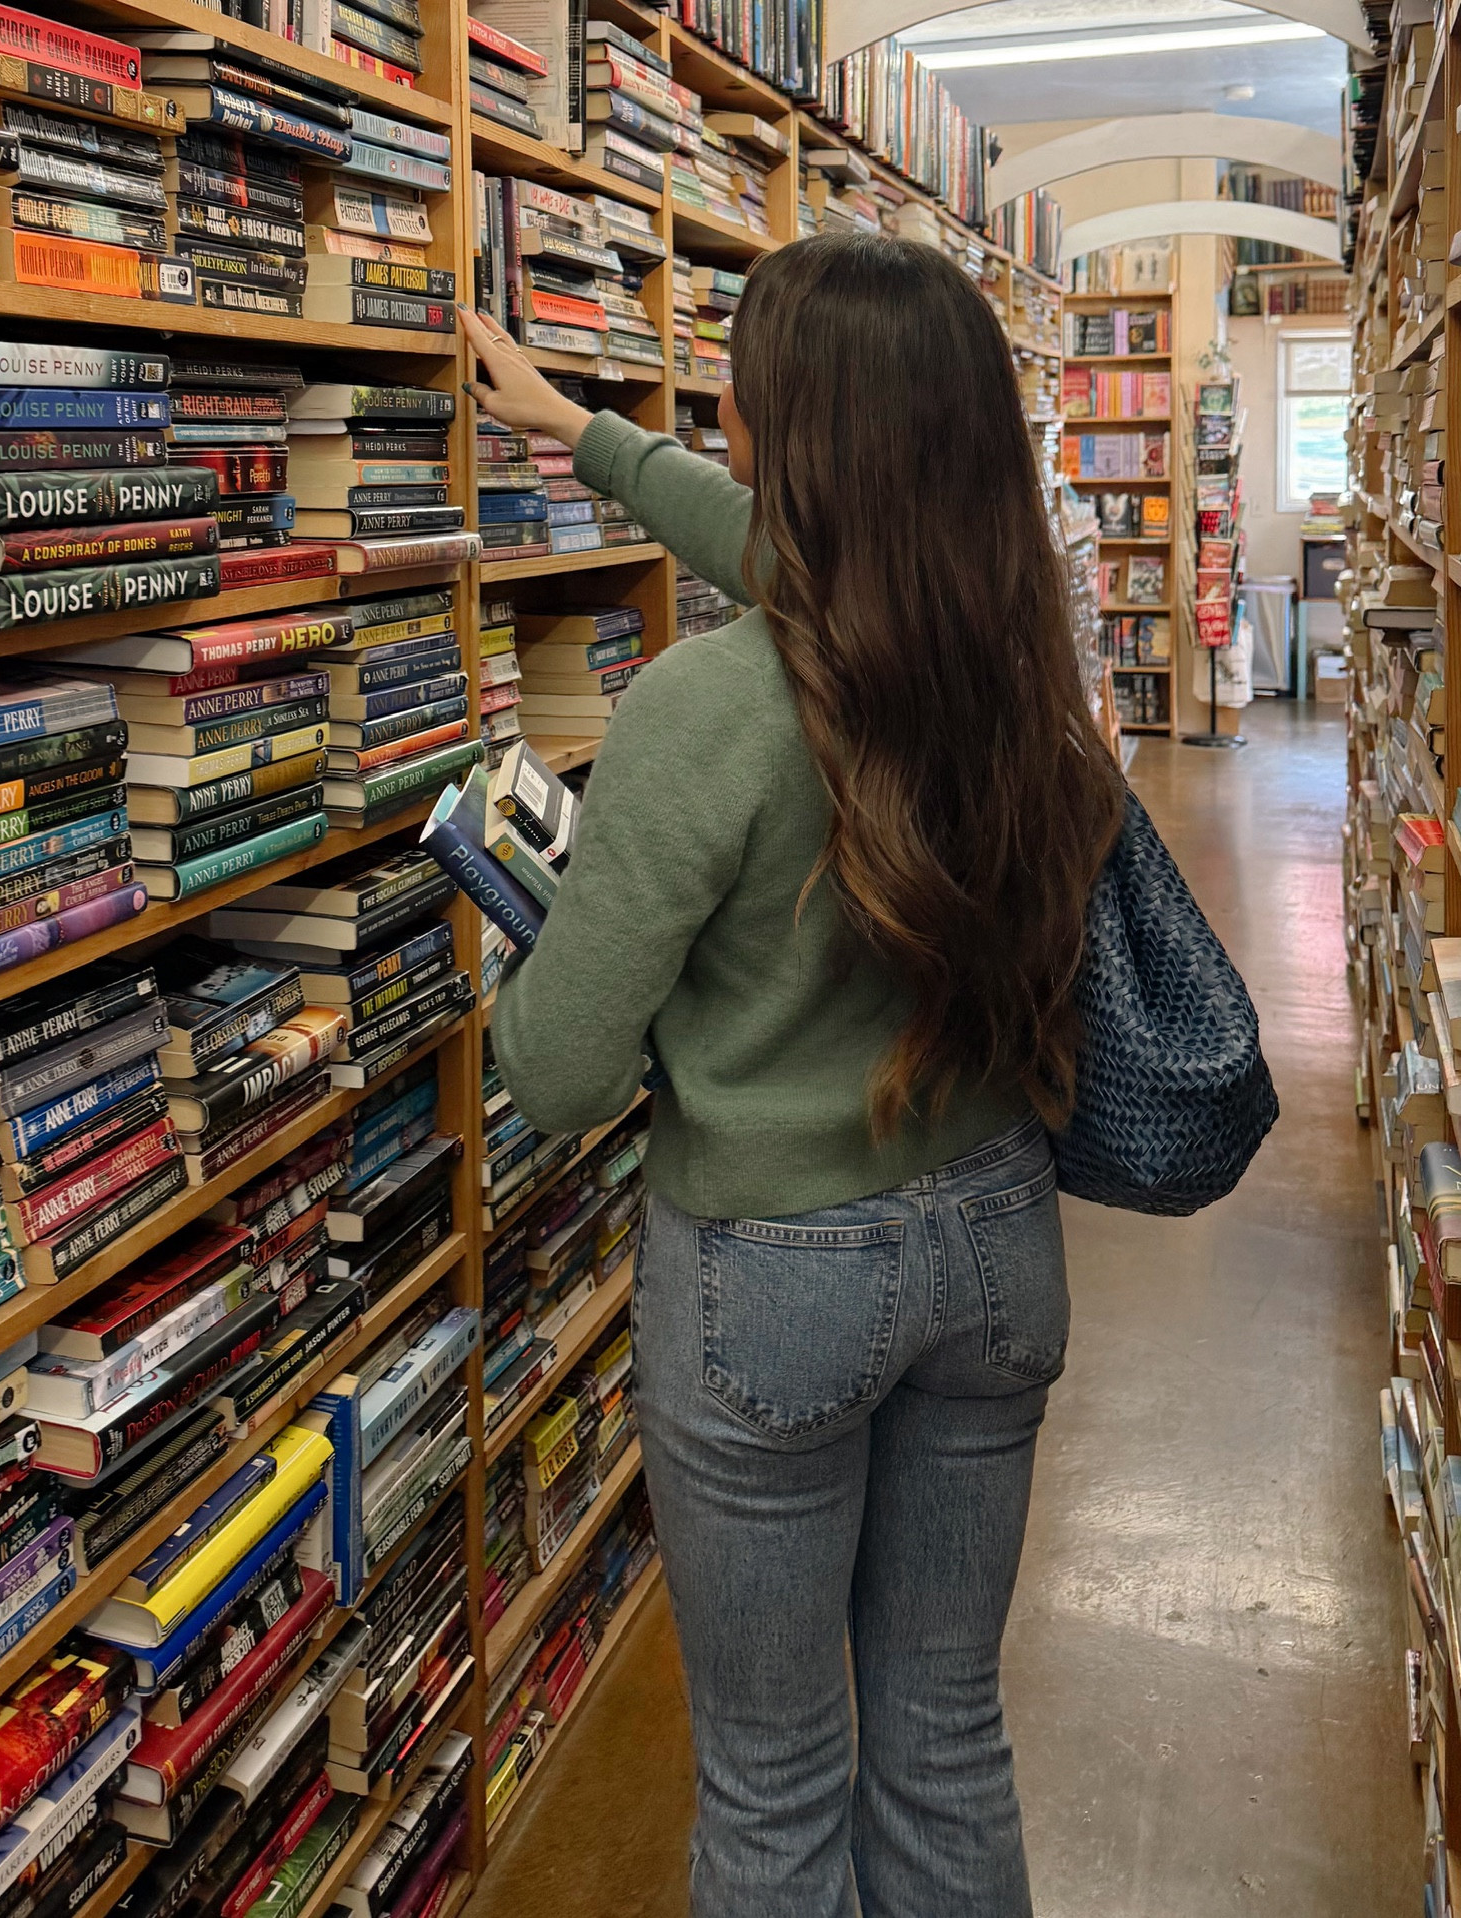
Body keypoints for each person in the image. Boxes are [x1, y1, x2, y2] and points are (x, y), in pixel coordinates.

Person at [462, 231, 1124, 1918]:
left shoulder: (701, 709)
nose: (724, 424)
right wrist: (578, 430)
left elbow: (559, 1073)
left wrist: (522, 926)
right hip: (999, 1238)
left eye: (738, 397)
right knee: (947, 1736)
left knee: (771, 1786)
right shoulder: (1016, 662)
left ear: (793, 434)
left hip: (773, 1278)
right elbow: (763, 549)